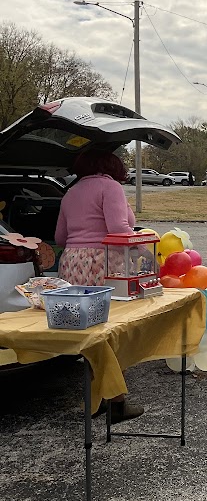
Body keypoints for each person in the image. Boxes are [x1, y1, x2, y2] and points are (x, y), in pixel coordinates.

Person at [54, 150, 144, 423]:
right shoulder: (110, 187)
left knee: (87, 334)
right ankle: (116, 401)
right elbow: (118, 227)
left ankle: (95, 399)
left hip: (71, 264)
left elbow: (59, 236)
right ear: (112, 166)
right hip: (103, 262)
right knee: (115, 330)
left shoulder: (70, 193)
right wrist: (144, 248)